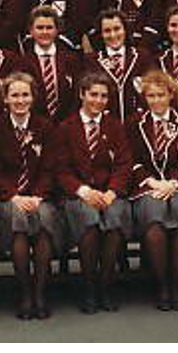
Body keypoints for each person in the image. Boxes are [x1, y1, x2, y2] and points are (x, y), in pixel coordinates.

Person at [49, 72, 134, 314]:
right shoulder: (65, 127)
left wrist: (113, 191)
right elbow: (61, 169)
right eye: (93, 95)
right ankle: (88, 286)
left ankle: (106, 285)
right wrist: (83, 191)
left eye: (104, 96)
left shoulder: (114, 126)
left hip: (109, 193)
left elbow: (124, 163)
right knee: (89, 221)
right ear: (82, 95)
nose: (98, 100)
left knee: (115, 218)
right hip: (78, 194)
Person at [0, 73, 62, 320]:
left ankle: (40, 292)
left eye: (25, 95)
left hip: (40, 197)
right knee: (18, 219)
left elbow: (51, 168)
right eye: (15, 95)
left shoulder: (45, 126)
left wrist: (38, 195)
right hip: (8, 198)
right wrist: (14, 196)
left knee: (42, 218)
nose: (20, 100)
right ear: (5, 99)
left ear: (33, 97)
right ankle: (24, 292)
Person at [127, 70, 178, 311]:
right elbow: (130, 159)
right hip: (148, 186)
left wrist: (174, 182)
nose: (156, 100)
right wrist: (151, 182)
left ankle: (177, 284)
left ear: (171, 95)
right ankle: (162, 285)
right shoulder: (134, 123)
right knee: (154, 219)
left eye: (161, 95)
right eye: (151, 96)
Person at [13, 5, 82, 122]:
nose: (44, 32)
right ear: (31, 30)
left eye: (49, 27)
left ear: (57, 30)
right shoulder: (21, 62)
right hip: (35, 124)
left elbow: (77, 95)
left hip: (66, 123)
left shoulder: (72, 59)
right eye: (39, 28)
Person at [85, 9, 152, 121]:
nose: (113, 35)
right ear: (101, 34)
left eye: (117, 29)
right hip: (106, 126)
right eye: (107, 31)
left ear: (125, 29)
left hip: (137, 124)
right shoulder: (92, 61)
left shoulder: (142, 57)